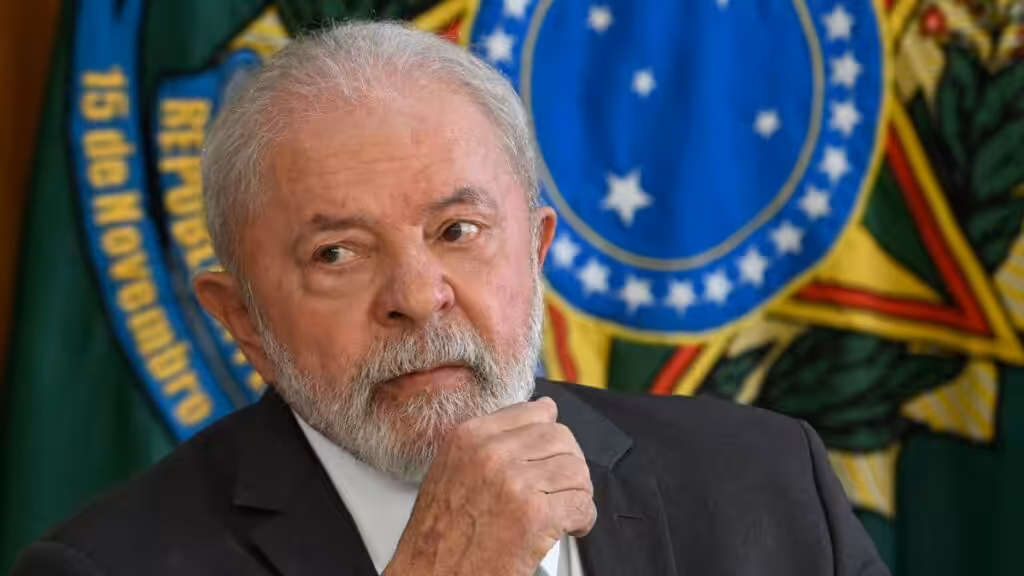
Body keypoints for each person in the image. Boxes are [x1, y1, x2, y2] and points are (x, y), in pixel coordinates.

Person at [9, 21, 889, 576]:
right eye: (337, 253)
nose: (417, 296)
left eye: (458, 230)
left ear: (536, 251)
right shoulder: (105, 568)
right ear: (242, 320)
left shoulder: (769, 486)